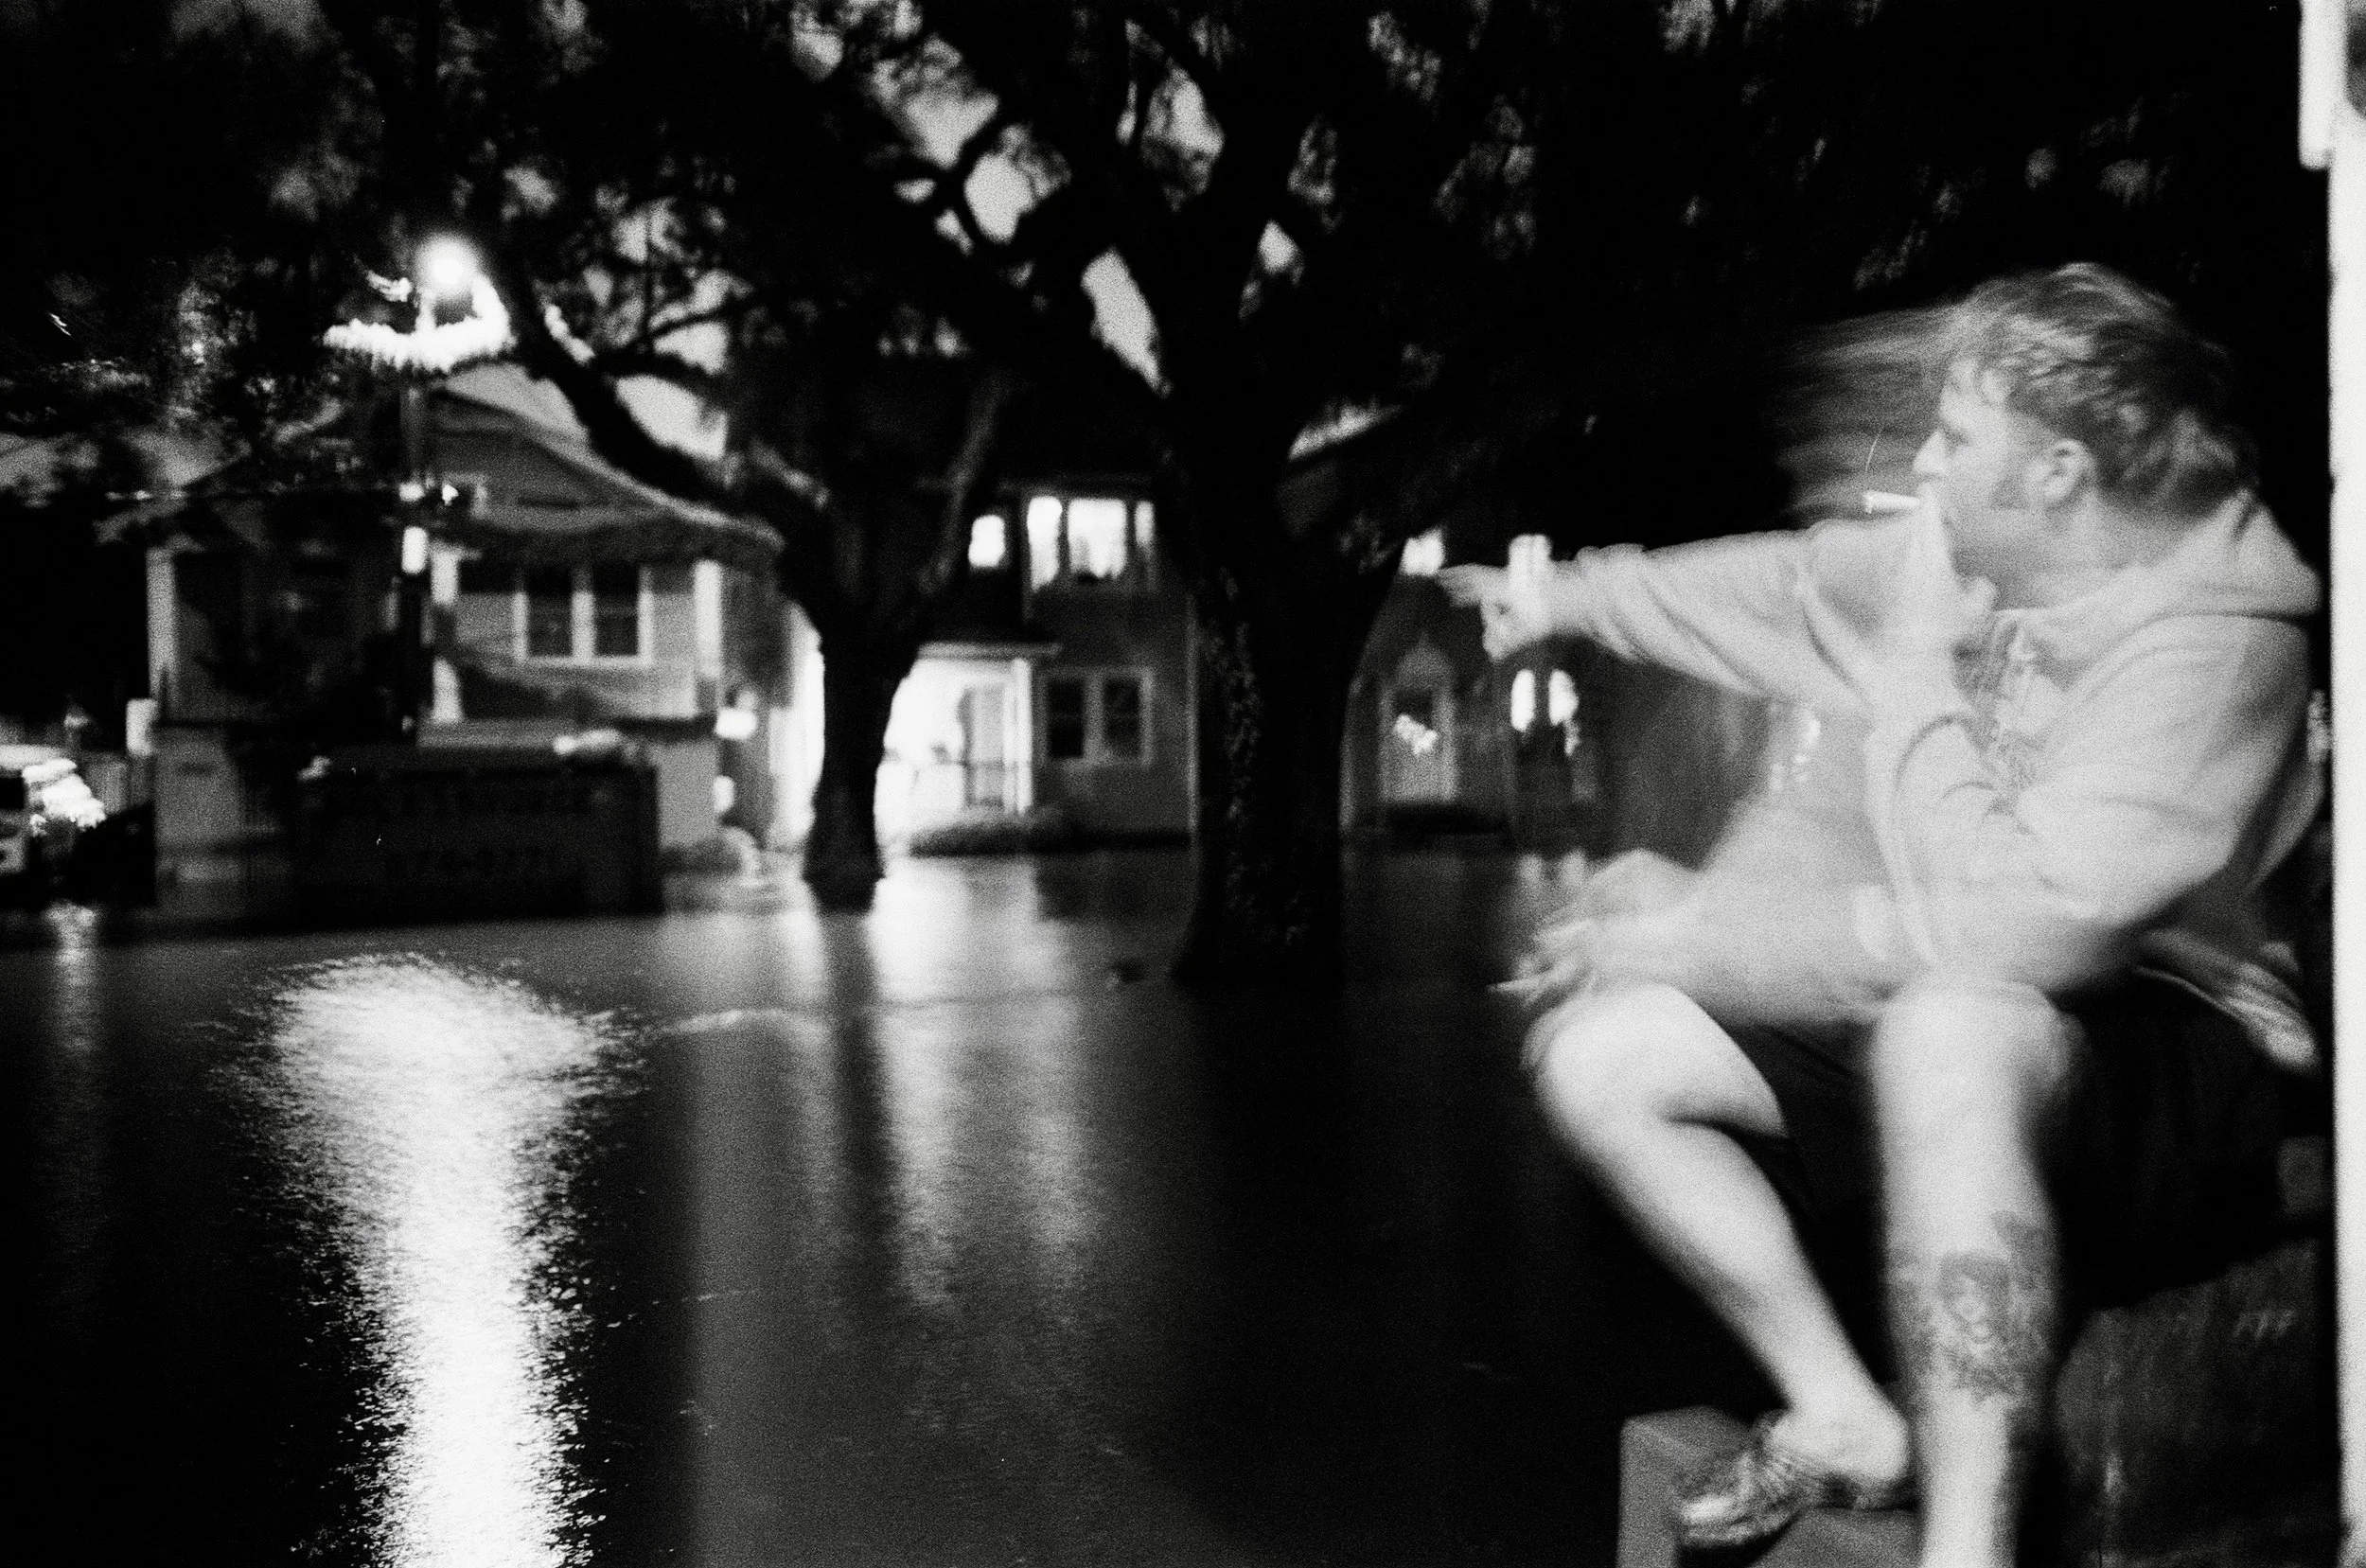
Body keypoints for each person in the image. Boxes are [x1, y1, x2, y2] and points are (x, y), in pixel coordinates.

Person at [1441, 262, 2322, 1566]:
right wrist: (1566, 599)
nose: (1923, 464)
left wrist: (1909, 670)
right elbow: (1793, 587)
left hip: (2180, 1033)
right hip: (1977, 979)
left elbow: (2019, 931)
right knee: (1605, 1055)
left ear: (2061, 472)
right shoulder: (1978, 553)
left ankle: (1967, 1549)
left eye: (1955, 439)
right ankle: (1846, 1416)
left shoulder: (2222, 644)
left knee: (1946, 1027)